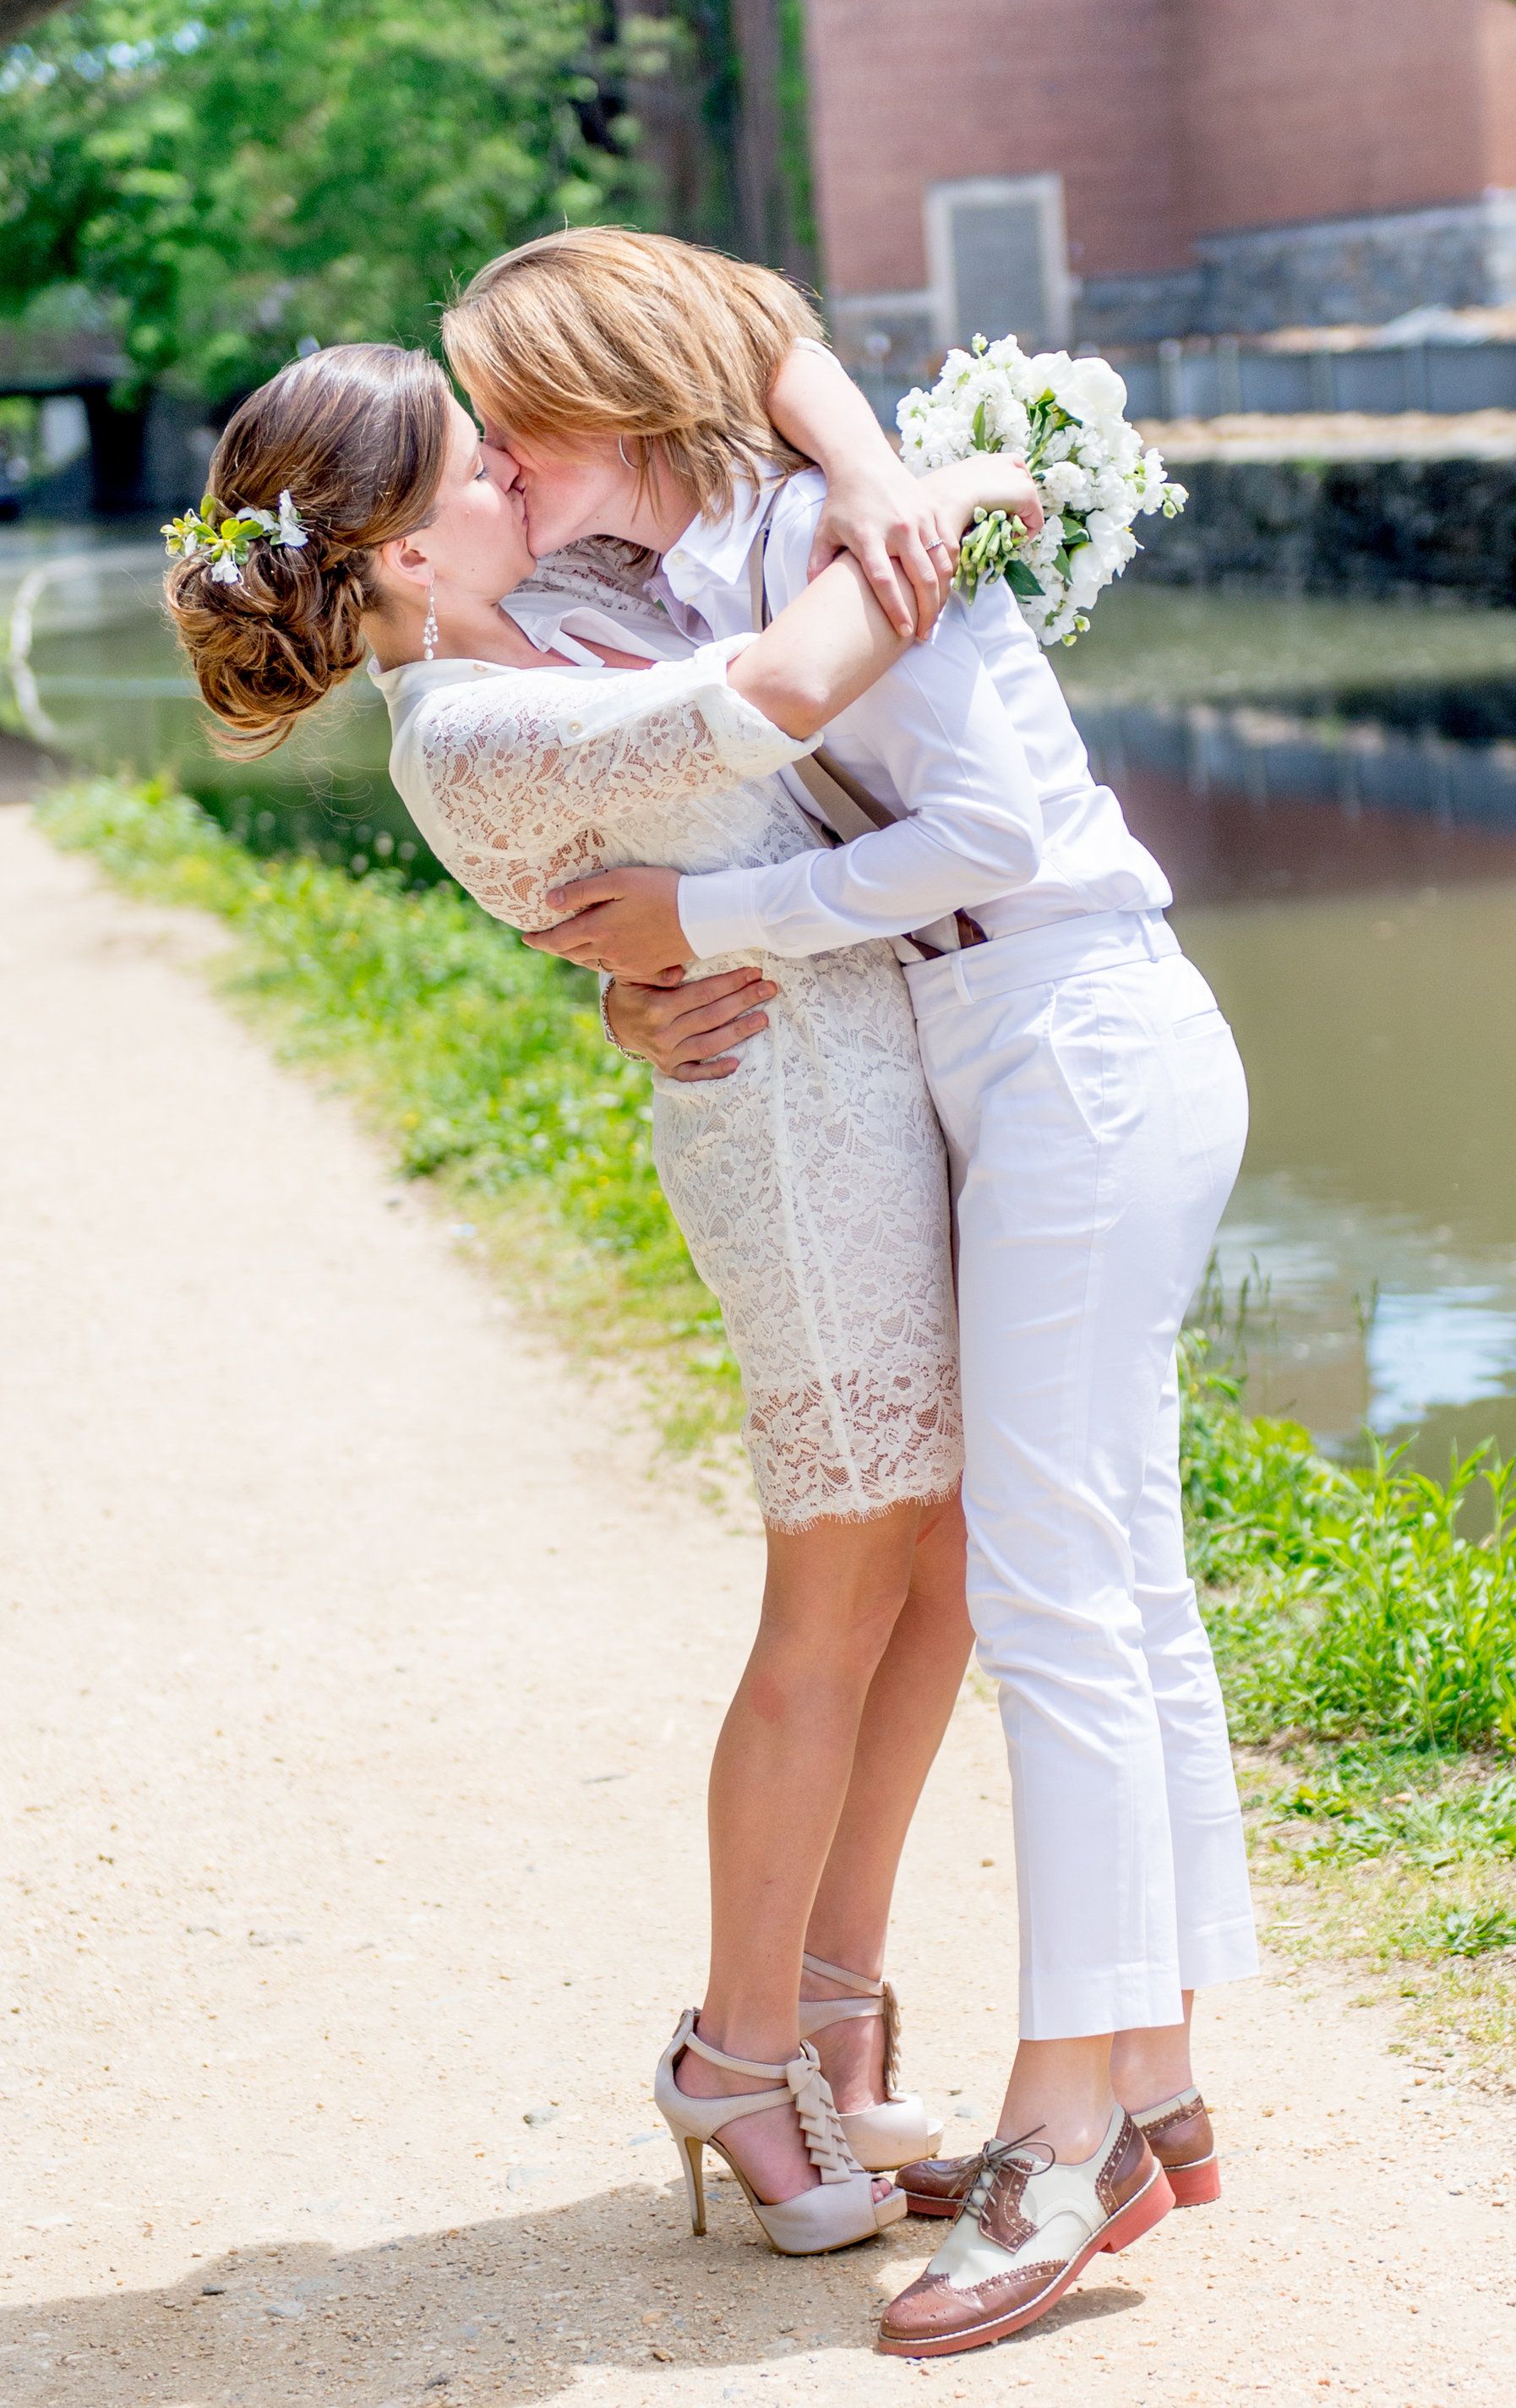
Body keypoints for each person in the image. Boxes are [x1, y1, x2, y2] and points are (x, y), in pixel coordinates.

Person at [440, 228, 1260, 2362]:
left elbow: (985, 825)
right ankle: (1155, 2073)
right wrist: (653, 974)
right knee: (1110, 1573)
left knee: (1059, 1583)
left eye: (515, 423)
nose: (500, 467)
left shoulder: (830, 526)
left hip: (1073, 1023)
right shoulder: (691, 571)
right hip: (993, 1050)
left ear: (617, 398)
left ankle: (1059, 2132)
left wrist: (711, 908)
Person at [162, 335, 1044, 2260]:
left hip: (887, 1087)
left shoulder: (557, 598)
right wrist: (950, 494)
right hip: (795, 1154)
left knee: (947, 1564)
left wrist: (852, 460)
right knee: (831, 1597)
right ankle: (735, 2053)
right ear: (398, 560)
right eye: (479, 463)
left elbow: (734, 371)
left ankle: (834, 2000)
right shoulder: (459, 732)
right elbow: (781, 689)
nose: (519, 470)